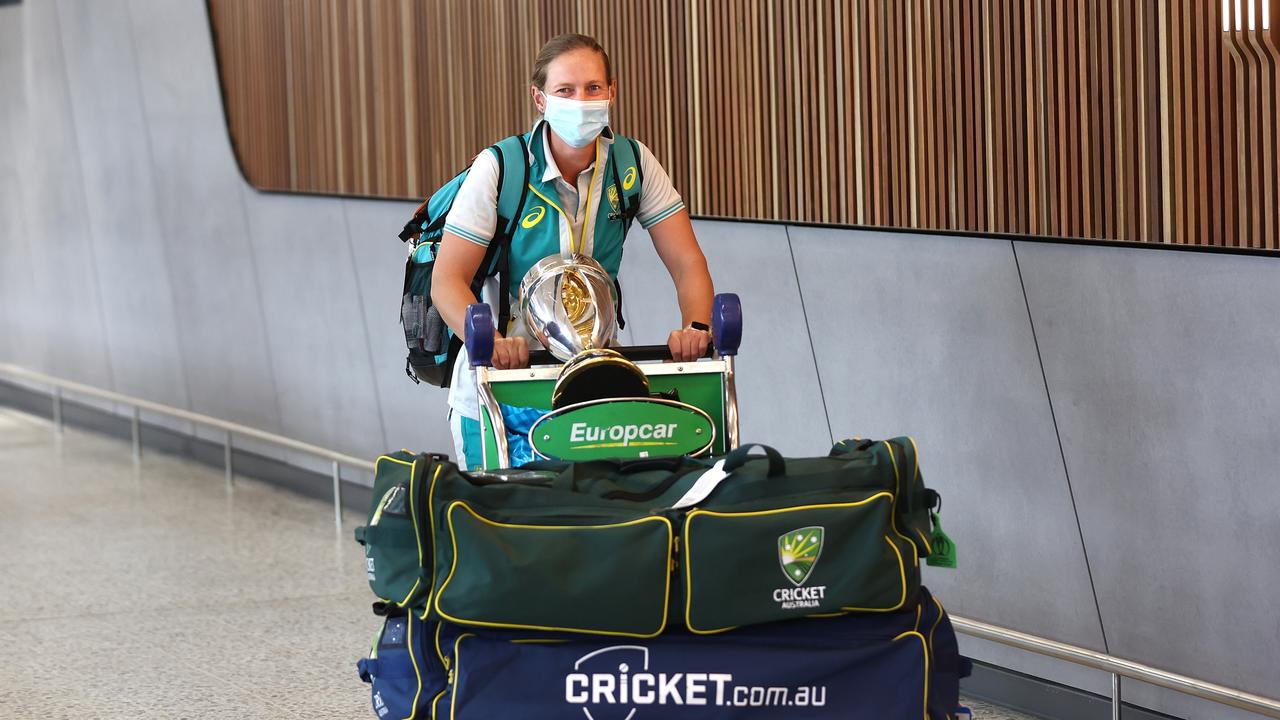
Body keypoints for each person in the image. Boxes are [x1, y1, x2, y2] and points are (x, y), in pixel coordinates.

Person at [431, 33, 714, 469]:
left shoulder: (631, 163)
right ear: (539, 99)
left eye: (593, 88)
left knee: (595, 519)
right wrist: (491, 343)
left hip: (595, 382)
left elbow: (686, 260)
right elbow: (446, 282)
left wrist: (695, 327)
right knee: (510, 525)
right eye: (565, 90)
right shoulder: (502, 168)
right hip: (501, 385)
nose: (581, 100)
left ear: (611, 91)